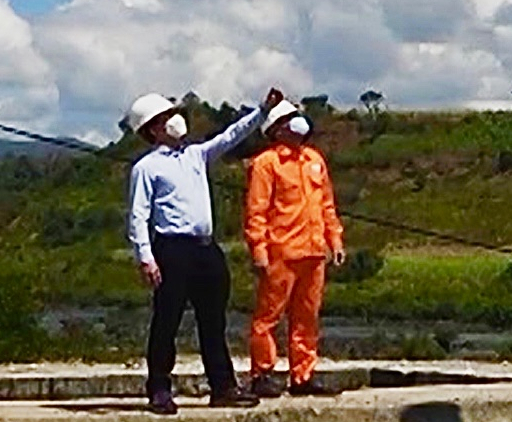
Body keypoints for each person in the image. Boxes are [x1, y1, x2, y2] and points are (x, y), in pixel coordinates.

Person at [124, 87, 285, 415]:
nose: (175, 120)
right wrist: (146, 257)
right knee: (166, 320)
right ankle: (159, 389)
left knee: (213, 321)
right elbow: (138, 215)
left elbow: (231, 136)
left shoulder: (196, 154)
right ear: (153, 129)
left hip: (205, 249)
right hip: (172, 249)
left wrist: (262, 111)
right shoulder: (146, 168)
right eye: (166, 117)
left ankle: (223, 386)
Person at [244, 100, 346, 397]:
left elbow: (327, 205)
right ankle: (262, 373)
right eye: (289, 119)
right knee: (268, 317)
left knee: (307, 317)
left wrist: (334, 239)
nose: (297, 122)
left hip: (314, 252)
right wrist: (259, 250)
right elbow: (256, 210)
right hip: (281, 252)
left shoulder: (314, 160)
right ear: (276, 129)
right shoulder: (266, 164)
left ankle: (303, 375)